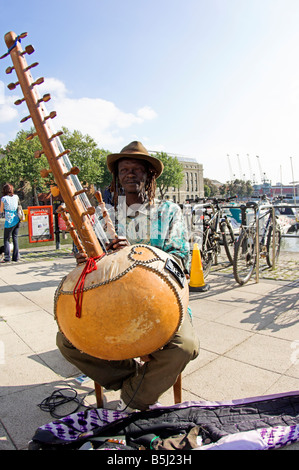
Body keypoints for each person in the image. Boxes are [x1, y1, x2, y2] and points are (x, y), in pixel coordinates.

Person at [56, 141, 199, 412]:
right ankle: (135, 385)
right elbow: (85, 262)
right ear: (117, 176)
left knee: (185, 346)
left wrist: (135, 252)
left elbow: (179, 263)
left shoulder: (169, 212)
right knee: (68, 340)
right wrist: (86, 259)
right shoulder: (100, 214)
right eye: (124, 169)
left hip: (160, 306)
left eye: (136, 168)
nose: (129, 173)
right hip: (108, 306)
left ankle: (133, 397)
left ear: (150, 175)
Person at [0, 183, 20, 263]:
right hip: (17, 219)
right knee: (15, 238)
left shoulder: (3, 199)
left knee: (6, 239)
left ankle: (7, 257)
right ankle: (16, 257)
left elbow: (1, 210)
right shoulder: (16, 197)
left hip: (9, 220)